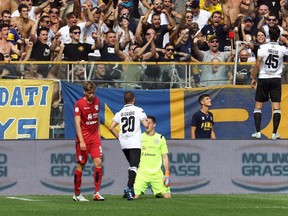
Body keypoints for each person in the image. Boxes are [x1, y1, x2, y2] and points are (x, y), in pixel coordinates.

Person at [109, 91, 148, 200]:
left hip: (124, 142)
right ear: (134, 99)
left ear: (124, 100)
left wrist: (119, 137)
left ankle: (129, 190)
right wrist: (147, 125)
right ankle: (129, 188)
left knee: (132, 165)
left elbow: (111, 127)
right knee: (134, 166)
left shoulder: (120, 112)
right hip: (134, 142)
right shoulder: (138, 110)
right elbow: (145, 125)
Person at [251, 26, 288, 140]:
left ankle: (257, 132)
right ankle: (274, 133)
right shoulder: (283, 49)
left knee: (258, 106)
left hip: (263, 78)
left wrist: (253, 77)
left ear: (268, 35)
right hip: (276, 78)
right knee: (276, 107)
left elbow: (257, 64)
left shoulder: (262, 47)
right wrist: (285, 41)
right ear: (279, 36)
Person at [73, 81, 104, 201]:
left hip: (94, 138)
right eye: (89, 93)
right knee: (81, 165)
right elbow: (77, 124)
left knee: (98, 163)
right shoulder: (79, 104)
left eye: (93, 93)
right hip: (83, 139)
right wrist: (81, 141)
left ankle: (96, 192)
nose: (92, 95)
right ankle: (76, 194)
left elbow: (96, 120)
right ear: (84, 92)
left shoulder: (97, 101)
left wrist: (99, 135)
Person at [134, 115, 171, 199]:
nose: (146, 125)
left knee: (167, 197)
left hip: (157, 173)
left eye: (149, 123)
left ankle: (157, 191)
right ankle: (156, 191)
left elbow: (165, 157)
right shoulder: (139, 137)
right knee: (135, 197)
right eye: (146, 123)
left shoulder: (161, 138)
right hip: (142, 173)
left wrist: (167, 173)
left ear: (154, 125)